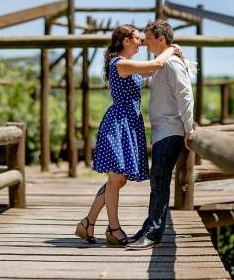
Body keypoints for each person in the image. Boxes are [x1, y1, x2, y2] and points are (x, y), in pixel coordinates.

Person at [74, 24, 181, 246]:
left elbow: (154, 69)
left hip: (130, 123)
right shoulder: (120, 64)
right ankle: (113, 229)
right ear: (126, 41)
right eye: (137, 38)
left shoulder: (129, 65)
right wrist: (171, 48)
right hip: (119, 123)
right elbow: (157, 63)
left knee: (118, 179)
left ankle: (88, 222)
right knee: (116, 179)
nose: (141, 41)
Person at [126, 20, 194, 250]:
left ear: (161, 39)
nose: (145, 43)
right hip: (162, 131)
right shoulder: (161, 64)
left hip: (171, 130)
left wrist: (188, 128)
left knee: (160, 180)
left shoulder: (172, 64)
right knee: (158, 180)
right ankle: (149, 228)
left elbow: (185, 95)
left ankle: (154, 233)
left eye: (148, 39)